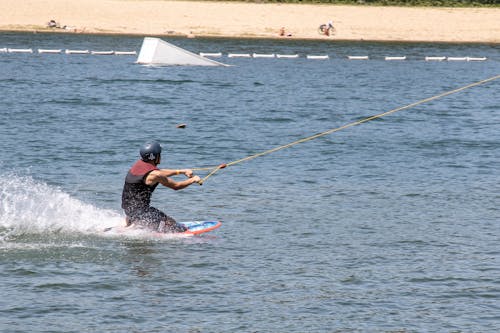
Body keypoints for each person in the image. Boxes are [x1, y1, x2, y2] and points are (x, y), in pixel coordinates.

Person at [121, 141, 201, 233]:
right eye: (159, 154)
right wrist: (193, 179)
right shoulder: (155, 175)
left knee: (138, 209)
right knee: (177, 229)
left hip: (129, 211)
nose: (161, 156)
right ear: (155, 157)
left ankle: (132, 223)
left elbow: (159, 172)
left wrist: (181, 171)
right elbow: (176, 186)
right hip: (142, 213)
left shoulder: (138, 165)